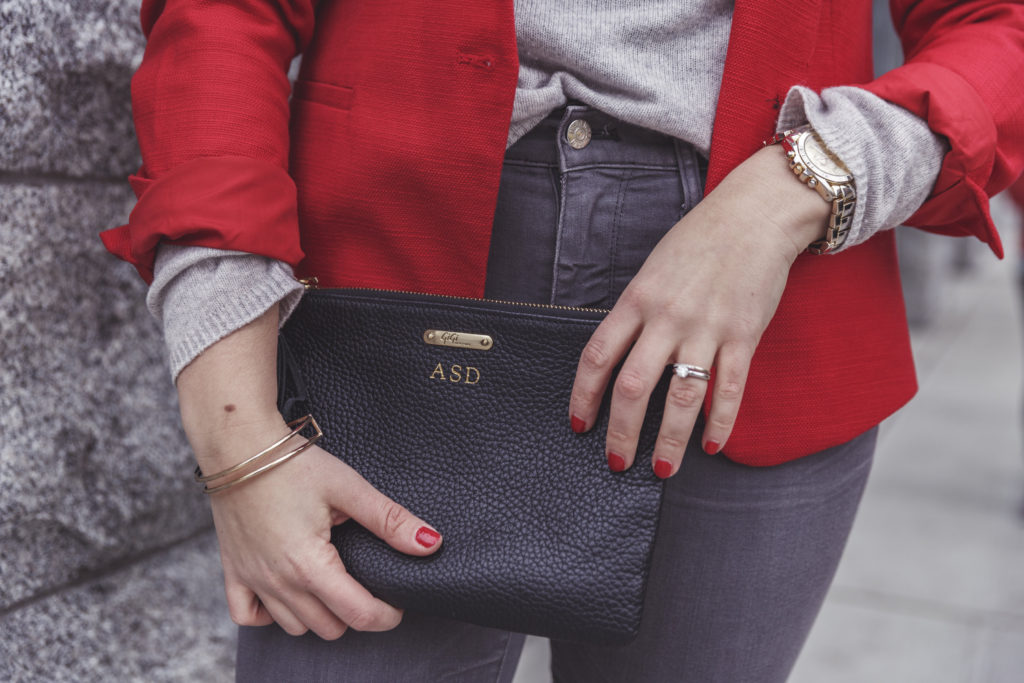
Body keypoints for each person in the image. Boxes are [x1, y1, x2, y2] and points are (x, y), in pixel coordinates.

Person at [101, 1, 1024, 680]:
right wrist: (235, 438)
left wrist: (801, 186)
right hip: (392, 293)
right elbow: (218, 17)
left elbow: (999, 27)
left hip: (767, 303)